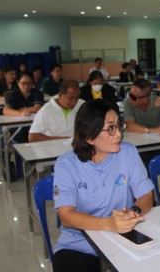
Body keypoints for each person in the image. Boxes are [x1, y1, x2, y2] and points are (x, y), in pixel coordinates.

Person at [52, 99, 154, 272]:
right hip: (79, 243)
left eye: (118, 125)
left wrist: (131, 214)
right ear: (89, 137)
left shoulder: (127, 152)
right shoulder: (66, 164)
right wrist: (108, 224)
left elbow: (146, 196)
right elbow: (66, 216)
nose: (119, 134)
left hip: (123, 236)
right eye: (110, 128)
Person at [124, 78, 160, 201]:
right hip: (139, 147)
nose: (130, 98)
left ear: (145, 99)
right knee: (142, 167)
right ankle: (146, 198)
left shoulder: (157, 102)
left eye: (134, 97)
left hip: (157, 144)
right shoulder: (128, 103)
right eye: (130, 95)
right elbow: (130, 125)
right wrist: (151, 130)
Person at [3, 72, 44, 143]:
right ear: (18, 82)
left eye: (29, 83)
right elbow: (6, 110)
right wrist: (21, 113)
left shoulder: (37, 93)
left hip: (35, 126)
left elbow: (38, 108)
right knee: (23, 143)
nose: (26, 86)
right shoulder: (12, 94)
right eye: (23, 83)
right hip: (17, 128)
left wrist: (25, 109)